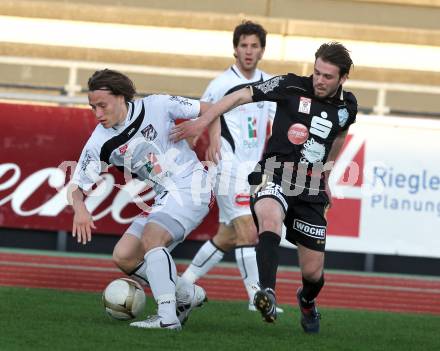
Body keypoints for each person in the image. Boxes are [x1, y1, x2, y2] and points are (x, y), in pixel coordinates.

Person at [171, 42, 358, 333]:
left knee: (313, 273)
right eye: (317, 72)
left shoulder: (348, 106)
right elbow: (240, 95)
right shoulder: (289, 85)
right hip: (273, 173)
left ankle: (307, 302)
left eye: (327, 77)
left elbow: (339, 136)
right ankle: (266, 293)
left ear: (343, 78)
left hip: (309, 187)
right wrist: (203, 121)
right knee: (269, 218)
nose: (319, 80)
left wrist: (327, 174)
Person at [68, 69, 214, 331]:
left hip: (192, 185)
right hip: (165, 196)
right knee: (124, 256)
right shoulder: (100, 142)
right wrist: (79, 209)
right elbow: (77, 186)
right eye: (93, 107)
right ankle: (187, 295)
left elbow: (210, 109)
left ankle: (167, 317)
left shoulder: (158, 105)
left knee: (152, 237)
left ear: (122, 97)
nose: (98, 114)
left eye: (103, 105)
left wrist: (209, 135)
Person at [180, 20, 282, 313]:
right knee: (249, 232)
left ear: (262, 50)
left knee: (227, 236)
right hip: (228, 165)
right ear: (235, 49)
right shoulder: (222, 83)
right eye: (243, 45)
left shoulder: (269, 83)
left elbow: (277, 122)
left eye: (254, 46)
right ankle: (257, 297)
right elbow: (206, 112)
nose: (248, 51)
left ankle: (185, 282)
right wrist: (210, 140)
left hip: (253, 171)